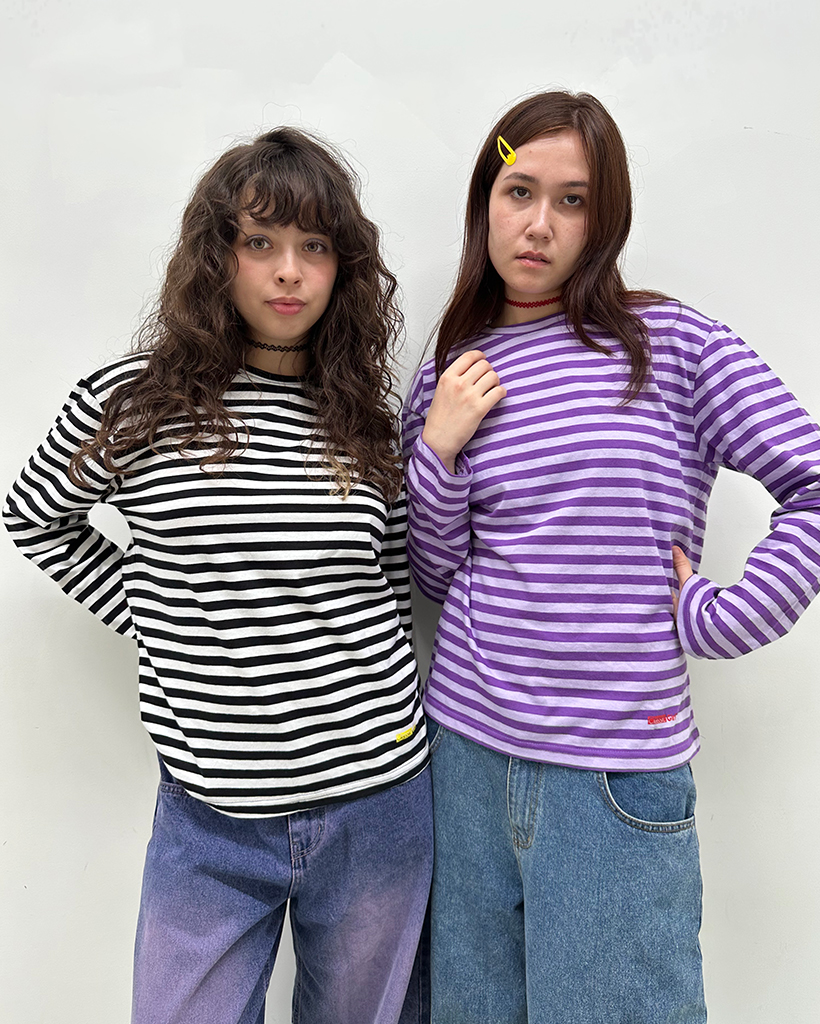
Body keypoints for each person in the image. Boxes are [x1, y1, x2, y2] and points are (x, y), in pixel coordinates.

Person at [402, 90, 820, 1024]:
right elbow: (433, 574)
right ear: (484, 202)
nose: (539, 225)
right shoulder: (449, 373)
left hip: (614, 775)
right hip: (464, 756)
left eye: (574, 201)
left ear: (606, 219)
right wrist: (436, 450)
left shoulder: (668, 344)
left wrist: (722, 617)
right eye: (519, 191)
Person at [4, 127, 432, 1024]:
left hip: (377, 803)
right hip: (209, 819)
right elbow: (34, 516)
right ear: (216, 254)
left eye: (315, 247)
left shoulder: (366, 418)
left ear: (344, 268)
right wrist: (159, 610)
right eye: (260, 242)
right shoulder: (133, 404)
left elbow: (391, 588)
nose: (289, 272)